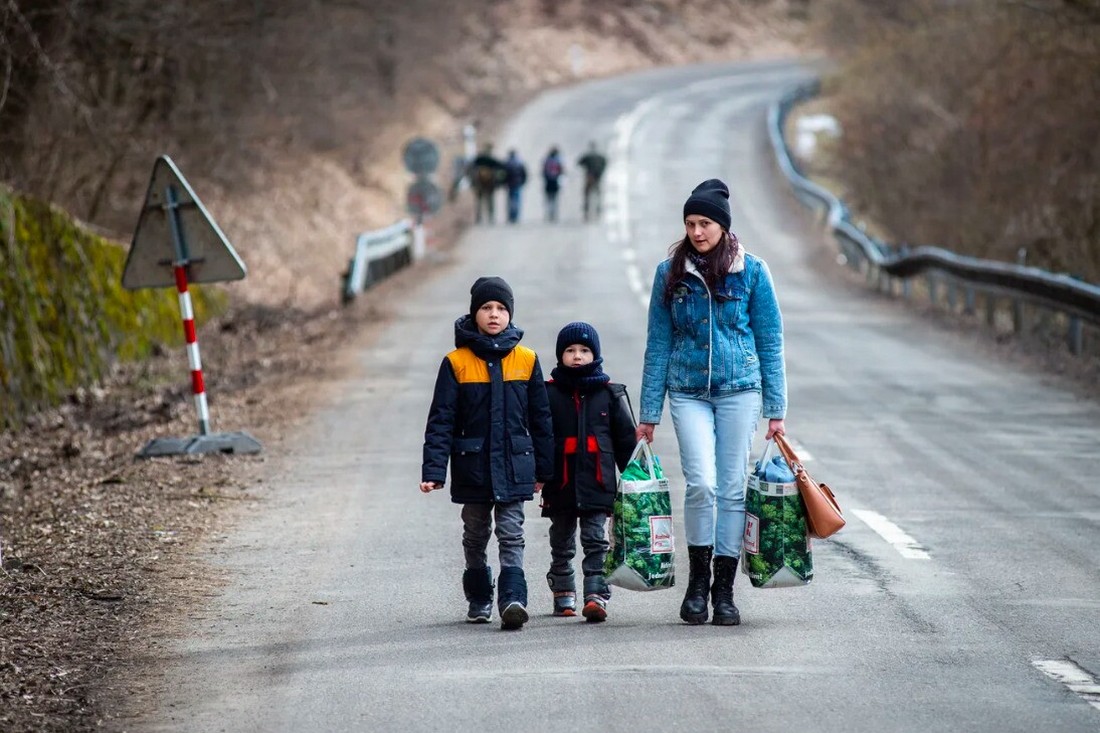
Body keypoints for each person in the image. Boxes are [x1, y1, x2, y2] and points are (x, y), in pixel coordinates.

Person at [636, 179, 787, 627]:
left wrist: (776, 410)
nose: (697, 231)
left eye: (704, 223)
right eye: (690, 223)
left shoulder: (753, 272)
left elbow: (770, 340)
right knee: (701, 483)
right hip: (687, 392)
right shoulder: (670, 273)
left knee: (732, 488)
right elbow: (658, 344)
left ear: (722, 226)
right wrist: (648, 414)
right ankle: (697, 584)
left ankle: (725, 591)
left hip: (740, 389)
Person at [421, 276, 554, 630]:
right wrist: (434, 470)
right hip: (473, 467)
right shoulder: (456, 362)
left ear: (510, 314)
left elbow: (541, 420)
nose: (494, 315)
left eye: (501, 308)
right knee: (476, 533)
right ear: (474, 313)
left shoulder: (527, 360)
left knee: (512, 532)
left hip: (514, 465)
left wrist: (545, 469)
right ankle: (479, 598)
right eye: (486, 308)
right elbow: (441, 420)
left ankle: (513, 599)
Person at [541, 322, 636, 622]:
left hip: (599, 483)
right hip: (561, 484)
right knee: (561, 540)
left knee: (596, 540)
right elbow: (539, 438)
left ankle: (596, 594)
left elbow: (625, 442)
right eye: (570, 351)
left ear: (595, 355)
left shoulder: (610, 394)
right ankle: (563, 591)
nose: (577, 356)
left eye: (584, 350)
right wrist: (538, 474)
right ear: (560, 356)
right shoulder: (548, 394)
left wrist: (634, 478)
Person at [469, 144, 506, 224]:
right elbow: (502, 167)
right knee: (490, 201)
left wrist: (473, 183)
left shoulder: (478, 159)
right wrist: (499, 183)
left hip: (479, 185)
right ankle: (491, 217)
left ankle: (479, 218)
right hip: (490, 185)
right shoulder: (492, 160)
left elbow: (471, 168)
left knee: (479, 202)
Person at [576, 142, 608, 222]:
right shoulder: (600, 157)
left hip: (589, 177)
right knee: (597, 194)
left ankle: (586, 213)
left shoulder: (587, 156)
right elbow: (605, 163)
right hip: (597, 178)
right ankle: (598, 211)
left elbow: (579, 163)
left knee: (587, 195)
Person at [503, 149, 528, 224]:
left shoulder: (507, 163)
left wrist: (504, 183)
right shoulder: (519, 163)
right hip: (517, 184)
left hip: (510, 185)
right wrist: (523, 182)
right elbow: (524, 174)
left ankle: (511, 216)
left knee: (510, 201)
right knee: (517, 201)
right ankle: (516, 216)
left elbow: (504, 175)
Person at [541, 146, 565, 223]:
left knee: (548, 199)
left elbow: (543, 171)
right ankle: (553, 214)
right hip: (555, 181)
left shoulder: (547, 160)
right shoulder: (558, 160)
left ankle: (548, 213)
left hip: (548, 181)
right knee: (555, 199)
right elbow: (562, 171)